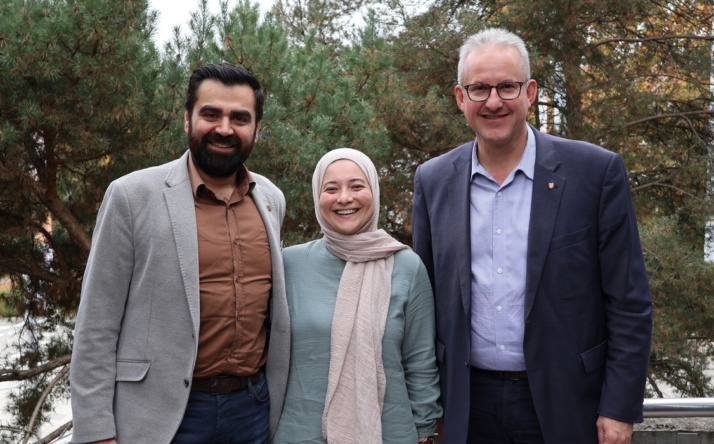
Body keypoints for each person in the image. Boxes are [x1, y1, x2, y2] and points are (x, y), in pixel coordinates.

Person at [411, 28, 653, 444]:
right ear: (459, 98)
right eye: (479, 88)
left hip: (568, 402)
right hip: (466, 405)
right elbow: (425, 302)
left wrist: (619, 407)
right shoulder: (433, 181)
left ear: (531, 92)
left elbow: (629, 302)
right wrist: (429, 405)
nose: (493, 101)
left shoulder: (595, 173)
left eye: (507, 86)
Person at [70, 63, 289, 444]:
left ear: (257, 129)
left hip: (252, 409)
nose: (224, 128)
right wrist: (95, 432)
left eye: (240, 118)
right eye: (211, 114)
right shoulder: (132, 195)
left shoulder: (271, 199)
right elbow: (96, 324)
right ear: (187, 120)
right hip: (162, 415)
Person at [272, 148, 442, 444]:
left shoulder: (406, 266)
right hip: (299, 433)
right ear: (317, 196)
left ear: (373, 192)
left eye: (357, 186)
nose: (344, 198)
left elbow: (420, 361)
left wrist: (426, 431)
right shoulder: (288, 264)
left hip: (389, 433)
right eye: (331, 188)